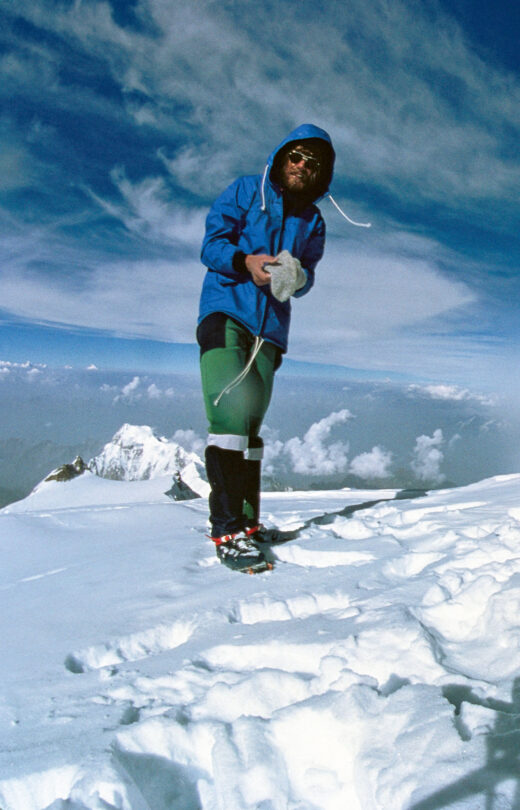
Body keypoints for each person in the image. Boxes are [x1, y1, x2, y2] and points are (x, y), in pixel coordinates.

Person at [197, 123, 334, 570]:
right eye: (296, 156)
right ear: (281, 156)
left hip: (271, 331)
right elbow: (212, 245)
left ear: (321, 174)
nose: (302, 166)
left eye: (313, 163)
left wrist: (299, 279)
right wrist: (245, 262)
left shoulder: (313, 221)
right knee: (229, 417)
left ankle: (249, 525)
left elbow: (307, 276)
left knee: (251, 429)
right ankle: (226, 531)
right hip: (226, 313)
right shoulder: (244, 192)